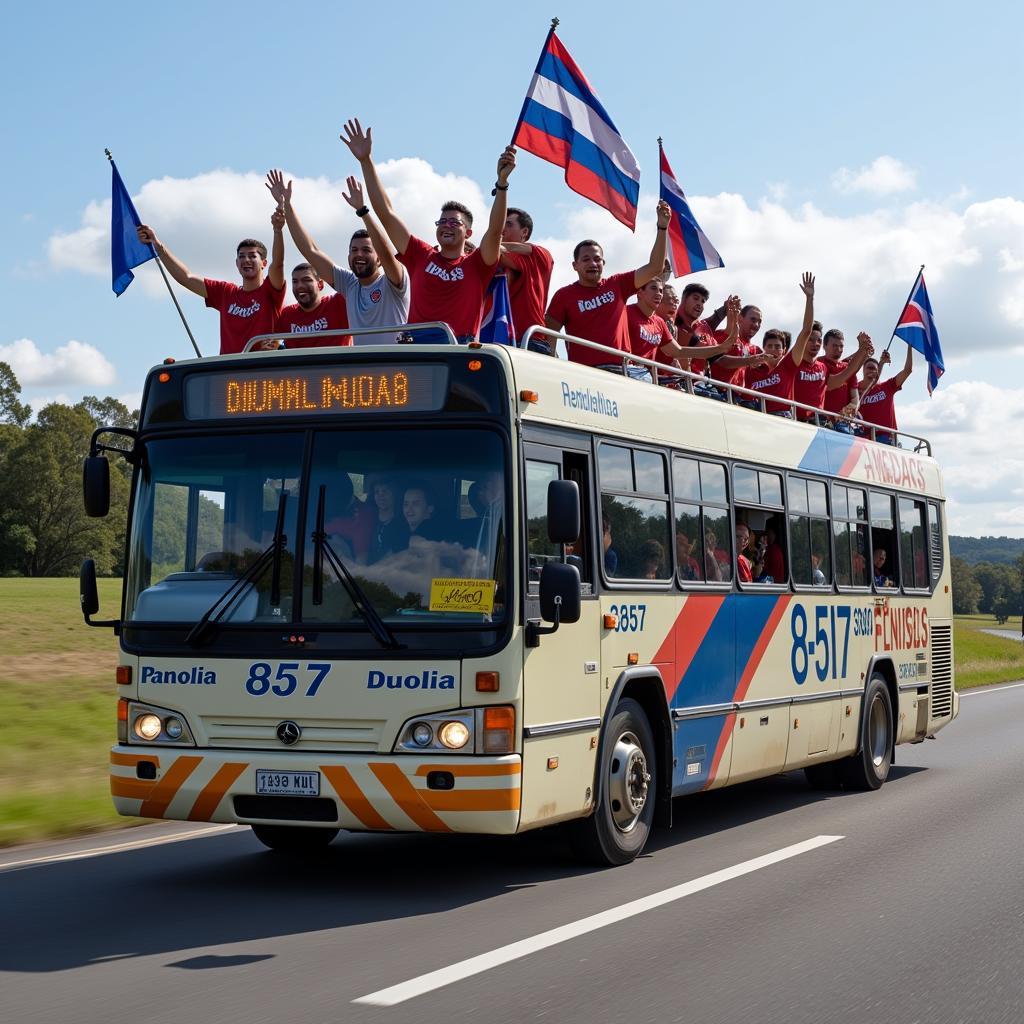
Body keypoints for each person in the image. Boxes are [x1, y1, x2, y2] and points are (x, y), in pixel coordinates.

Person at [342, 118, 514, 342]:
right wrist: (366, 161)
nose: (446, 226)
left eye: (454, 222)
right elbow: (386, 213)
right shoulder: (421, 254)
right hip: (417, 347)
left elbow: (494, 231)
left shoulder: (478, 264)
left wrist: (501, 184)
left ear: (468, 233)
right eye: (442, 222)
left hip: (458, 346)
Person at [265, 168, 409, 345]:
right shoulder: (350, 285)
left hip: (398, 366)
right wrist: (287, 204)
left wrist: (363, 212)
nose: (359, 255)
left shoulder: (393, 281)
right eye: (354, 250)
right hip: (365, 370)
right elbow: (310, 251)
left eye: (366, 250)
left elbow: (387, 253)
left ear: (378, 259)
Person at [544, 201, 672, 370]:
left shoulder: (618, 284)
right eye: (586, 259)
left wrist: (662, 228)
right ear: (575, 265)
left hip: (622, 371)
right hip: (585, 376)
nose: (593, 263)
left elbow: (655, 267)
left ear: (604, 263)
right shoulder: (564, 295)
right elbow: (549, 336)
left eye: (597, 259)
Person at [136, 212, 286, 355]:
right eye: (242, 256)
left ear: (264, 263)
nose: (246, 260)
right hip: (229, 373)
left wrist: (277, 230)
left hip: (263, 371)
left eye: (252, 256)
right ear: (236, 263)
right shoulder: (225, 292)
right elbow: (186, 277)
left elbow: (278, 264)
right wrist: (157, 245)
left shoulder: (270, 290)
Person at [740, 273, 816, 416]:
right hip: (756, 417)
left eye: (777, 347)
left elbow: (806, 331)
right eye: (770, 346)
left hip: (782, 419)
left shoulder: (788, 365)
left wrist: (809, 298)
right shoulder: (753, 369)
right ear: (763, 349)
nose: (773, 350)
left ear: (784, 350)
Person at [498, 207, 554, 351]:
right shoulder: (496, 257)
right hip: (496, 337)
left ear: (524, 232)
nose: (502, 229)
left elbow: (523, 250)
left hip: (530, 340)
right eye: (501, 224)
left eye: (509, 224)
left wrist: (490, 244)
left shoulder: (540, 256)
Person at [793, 326, 872, 424]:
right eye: (834, 345)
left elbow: (855, 398)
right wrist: (862, 351)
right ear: (824, 346)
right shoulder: (818, 365)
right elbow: (833, 383)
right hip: (818, 421)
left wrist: (848, 411)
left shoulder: (847, 367)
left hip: (841, 424)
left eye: (841, 346)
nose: (838, 349)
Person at [625, 279, 692, 383]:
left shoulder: (661, 323)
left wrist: (718, 349)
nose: (658, 294)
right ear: (639, 293)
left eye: (661, 291)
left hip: (651, 377)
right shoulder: (625, 313)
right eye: (670, 300)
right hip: (629, 371)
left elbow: (678, 351)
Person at [272, 263, 352, 348]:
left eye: (306, 280)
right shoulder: (287, 314)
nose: (300, 286)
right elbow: (272, 340)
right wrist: (272, 346)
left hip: (337, 360)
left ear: (320, 284)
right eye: (295, 281)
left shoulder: (338, 303)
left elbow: (353, 280)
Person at [857, 345, 914, 444]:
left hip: (888, 439)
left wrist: (910, 346)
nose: (871, 371)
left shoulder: (888, 386)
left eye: (874, 369)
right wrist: (881, 362)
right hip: (867, 441)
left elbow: (908, 370)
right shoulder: (856, 389)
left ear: (878, 372)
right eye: (869, 368)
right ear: (863, 370)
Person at [324, 473, 375, 562]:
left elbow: (361, 562)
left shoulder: (364, 516)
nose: (328, 500)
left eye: (333, 494)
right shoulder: (314, 508)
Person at [367, 475, 409, 563]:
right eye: (377, 492)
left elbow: (399, 556)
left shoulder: (403, 524)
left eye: (385, 491)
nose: (380, 495)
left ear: (394, 494)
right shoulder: (368, 520)